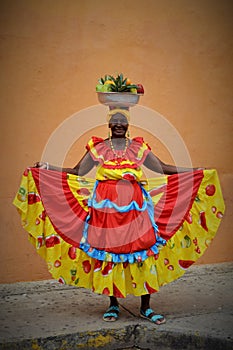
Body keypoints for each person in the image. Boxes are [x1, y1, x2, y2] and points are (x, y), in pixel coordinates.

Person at [13, 107, 225, 325]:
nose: (118, 124)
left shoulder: (138, 147)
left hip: (136, 208)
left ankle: (146, 307)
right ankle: (113, 303)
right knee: (109, 252)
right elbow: (77, 172)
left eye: (122, 120)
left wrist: (194, 171)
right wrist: (47, 167)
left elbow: (163, 168)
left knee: (142, 251)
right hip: (106, 210)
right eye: (114, 120)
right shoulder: (98, 148)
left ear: (128, 123)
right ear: (108, 123)